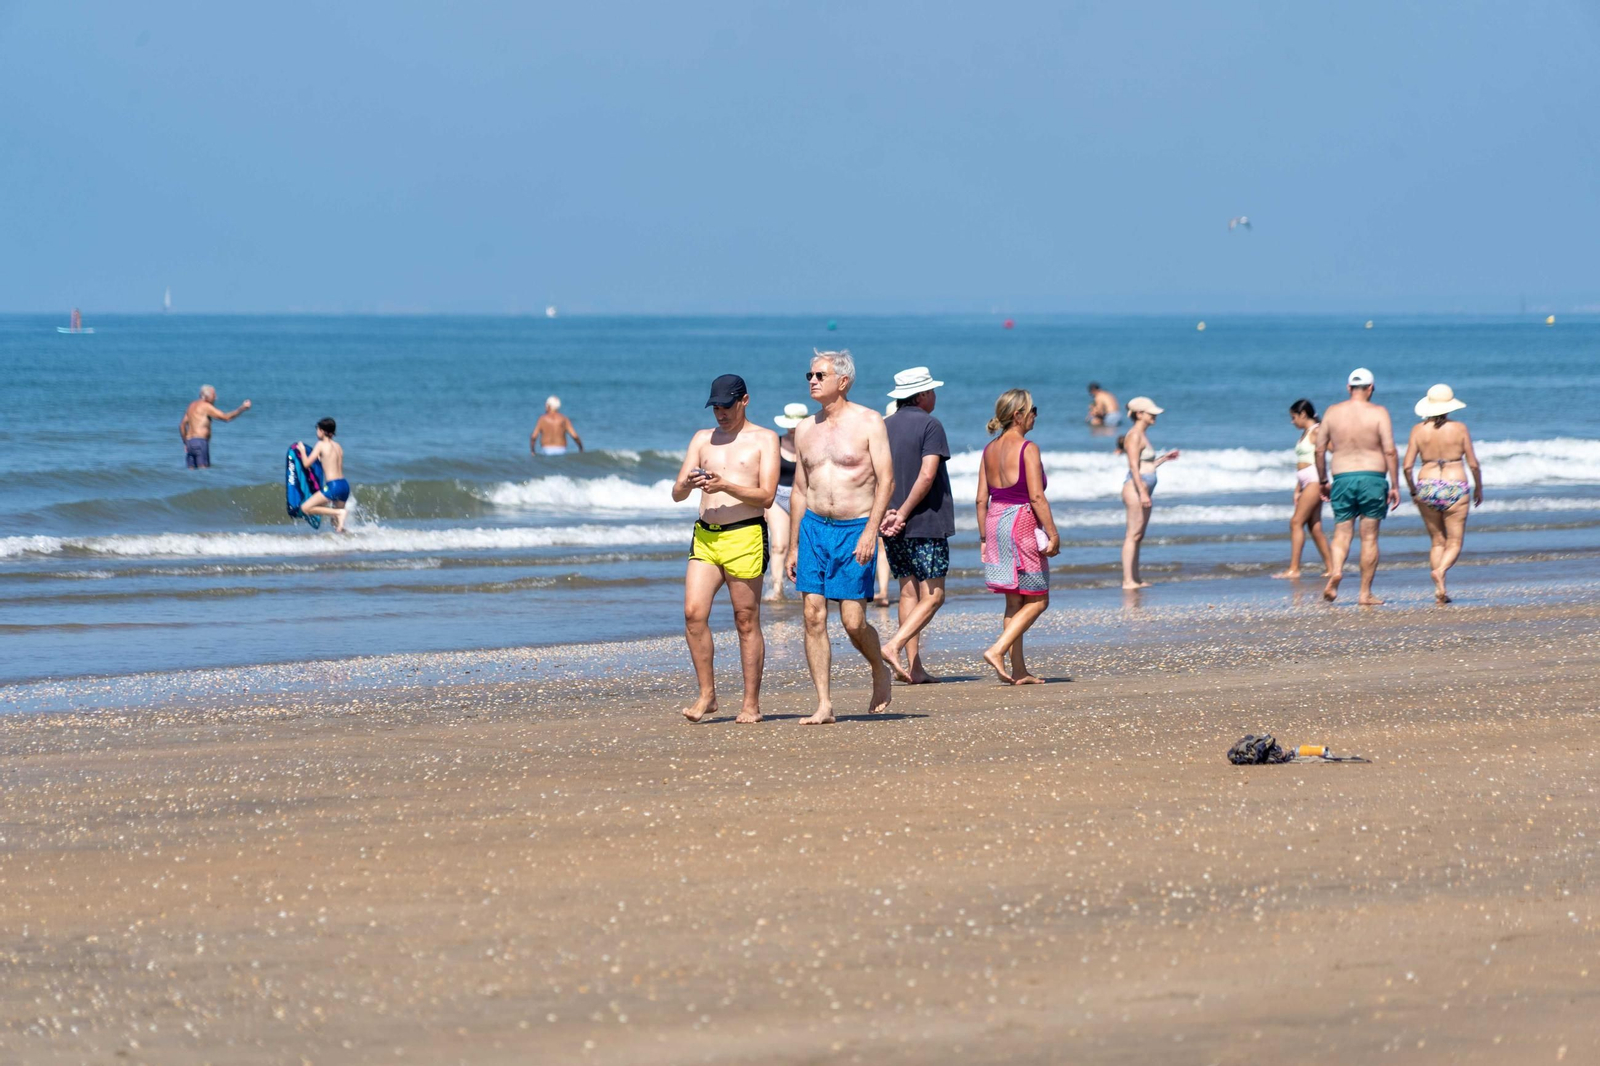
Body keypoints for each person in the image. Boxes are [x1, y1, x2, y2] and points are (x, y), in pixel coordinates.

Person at [786, 350, 895, 723]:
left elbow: (886, 480)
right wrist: (794, 545)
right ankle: (824, 704)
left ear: (843, 381)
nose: (812, 381)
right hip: (815, 527)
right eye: (810, 374)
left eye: (820, 375)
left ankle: (879, 668)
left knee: (852, 621)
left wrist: (871, 532)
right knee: (813, 615)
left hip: (854, 529)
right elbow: (800, 489)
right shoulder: (804, 429)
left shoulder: (868, 422)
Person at [671, 374, 780, 724]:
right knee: (693, 613)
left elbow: (766, 496)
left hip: (744, 534)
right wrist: (687, 484)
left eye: (726, 406)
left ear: (744, 401)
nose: (720, 413)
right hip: (705, 535)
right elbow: (676, 493)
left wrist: (727, 485)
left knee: (745, 620)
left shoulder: (764, 439)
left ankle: (751, 704)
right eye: (715, 407)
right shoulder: (702, 439)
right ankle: (708, 695)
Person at [977, 389, 1060, 684]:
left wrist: (985, 539)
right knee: (1038, 600)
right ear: (1018, 415)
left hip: (996, 520)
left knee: (1014, 602)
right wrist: (1053, 533)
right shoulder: (1028, 448)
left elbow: (980, 500)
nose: (1036, 414)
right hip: (1021, 523)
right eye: (1033, 409)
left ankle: (1019, 669)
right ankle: (997, 650)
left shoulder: (989, 450)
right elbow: (1036, 496)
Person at [879, 366, 955, 684]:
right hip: (923, 521)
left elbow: (874, 477)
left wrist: (887, 513)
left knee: (908, 591)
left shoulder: (882, 426)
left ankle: (914, 668)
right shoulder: (930, 425)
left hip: (890, 520)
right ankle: (894, 646)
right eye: (932, 391)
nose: (935, 396)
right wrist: (905, 513)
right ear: (922, 395)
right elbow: (926, 475)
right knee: (934, 595)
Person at [1313, 368, 1400, 605]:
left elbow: (1319, 450)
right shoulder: (1379, 413)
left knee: (1342, 533)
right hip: (1373, 477)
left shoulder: (1332, 412)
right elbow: (1390, 450)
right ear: (1371, 388)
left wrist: (1323, 481)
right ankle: (1365, 593)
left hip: (1342, 477)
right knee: (1369, 537)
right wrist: (1395, 485)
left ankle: (1337, 571)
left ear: (1349, 388)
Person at [1403, 384, 1483, 603]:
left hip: (1427, 486)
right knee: (1455, 542)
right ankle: (1441, 571)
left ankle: (1440, 590)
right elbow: (1474, 464)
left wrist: (1413, 490)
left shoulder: (1418, 430)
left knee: (1437, 541)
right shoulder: (1459, 428)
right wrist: (1479, 488)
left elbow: (1407, 467)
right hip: (1455, 484)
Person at [1119, 397, 1179, 589]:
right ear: (1139, 414)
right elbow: (1134, 467)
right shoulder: (1134, 435)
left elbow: (1146, 466)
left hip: (1143, 486)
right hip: (1136, 488)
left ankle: (1135, 578)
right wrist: (1143, 492)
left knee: (1138, 536)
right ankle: (1128, 580)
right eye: (1150, 413)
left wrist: (1163, 459)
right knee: (1132, 534)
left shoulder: (1142, 434)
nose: (1154, 416)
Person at [1271, 399, 1335, 579]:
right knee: (1314, 526)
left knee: (1296, 522)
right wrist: (1297, 488)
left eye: (1294, 417)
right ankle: (1332, 568)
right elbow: (1302, 463)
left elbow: (1334, 450)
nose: (1292, 422)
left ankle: (1294, 569)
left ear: (1303, 414)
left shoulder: (1317, 431)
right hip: (1306, 482)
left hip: (1315, 481)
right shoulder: (1307, 432)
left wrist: (1327, 479)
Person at [762, 402, 807, 602]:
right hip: (777, 496)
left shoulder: (810, 443)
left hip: (804, 497)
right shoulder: (776, 442)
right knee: (779, 545)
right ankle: (777, 588)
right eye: (790, 425)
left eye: (796, 425)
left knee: (801, 544)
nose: (792, 429)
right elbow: (764, 474)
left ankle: (802, 587)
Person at [294, 418, 351, 534]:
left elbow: (306, 464)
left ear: (322, 431)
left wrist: (302, 450)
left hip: (333, 485)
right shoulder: (338, 446)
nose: (317, 432)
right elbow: (327, 461)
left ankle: (339, 512)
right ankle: (346, 543)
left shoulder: (320, 445)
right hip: (344, 485)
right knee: (335, 523)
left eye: (317, 429)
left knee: (305, 508)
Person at [178, 385, 251, 469]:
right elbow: (226, 418)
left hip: (190, 443)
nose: (216, 398)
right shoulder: (206, 406)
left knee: (191, 473)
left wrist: (185, 443)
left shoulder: (191, 406)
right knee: (203, 472)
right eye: (214, 395)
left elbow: (182, 425)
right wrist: (242, 408)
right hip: (200, 443)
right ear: (206, 396)